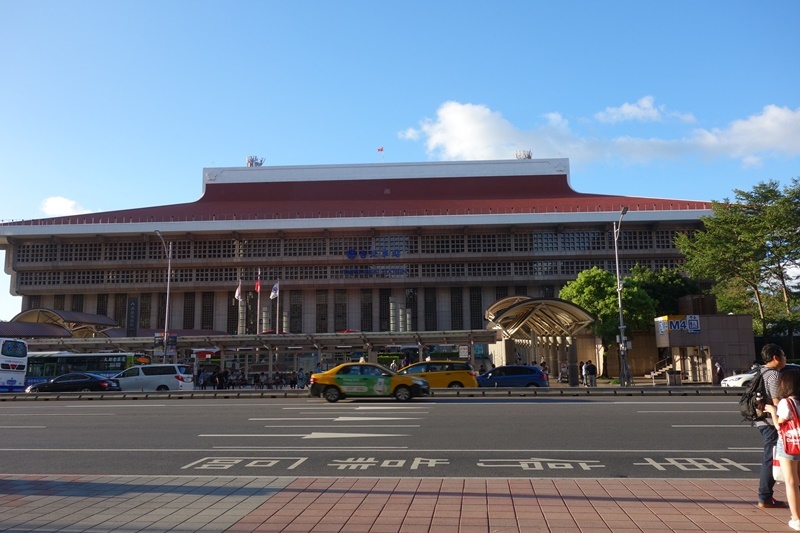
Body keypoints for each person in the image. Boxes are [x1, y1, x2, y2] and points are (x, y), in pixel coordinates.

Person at [764, 367, 800, 531]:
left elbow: (779, 424)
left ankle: (796, 518)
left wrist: (772, 411)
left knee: (791, 482)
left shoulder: (787, 402)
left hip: (790, 443)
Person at [754, 343, 788, 509]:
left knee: (772, 455)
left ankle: (766, 496)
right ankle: (765, 497)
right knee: (771, 457)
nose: (785, 359)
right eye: (784, 355)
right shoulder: (773, 375)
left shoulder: (760, 371)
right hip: (770, 421)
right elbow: (777, 402)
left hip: (761, 420)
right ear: (776, 358)